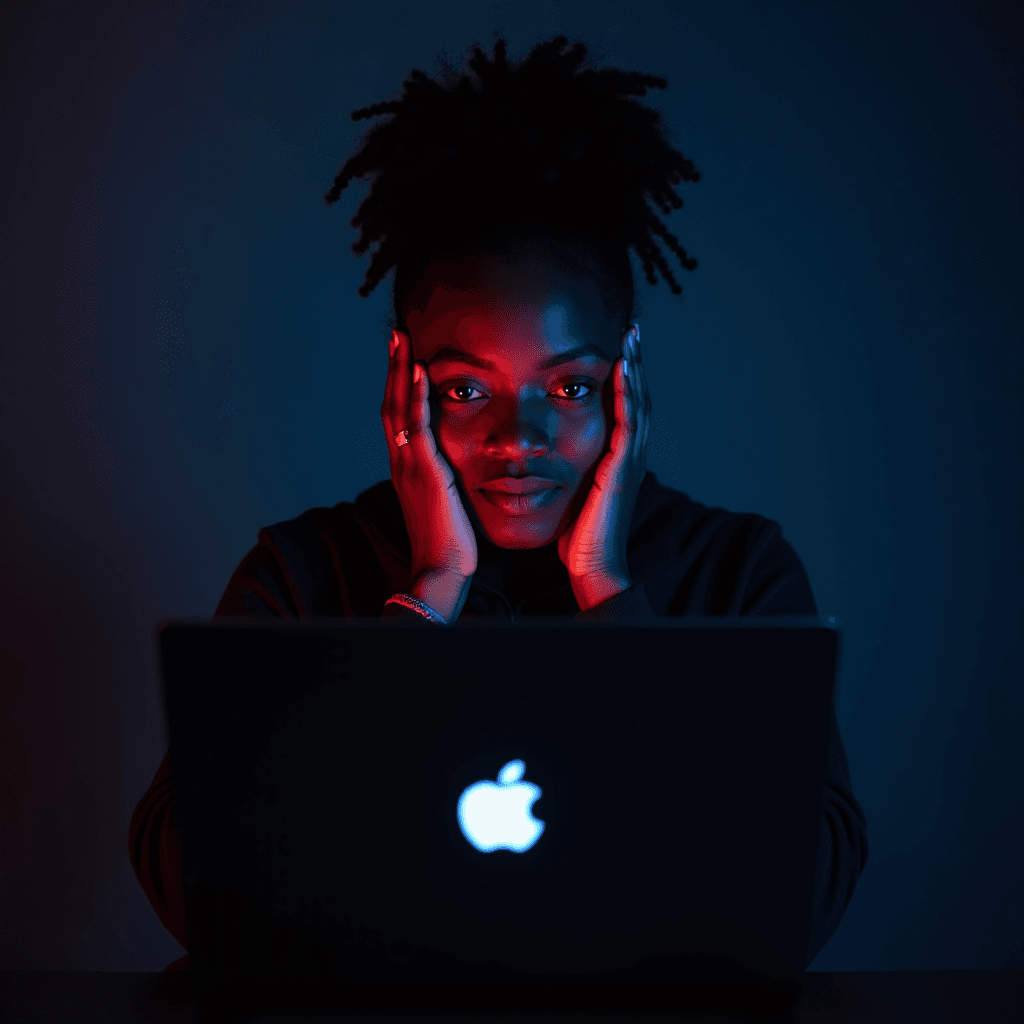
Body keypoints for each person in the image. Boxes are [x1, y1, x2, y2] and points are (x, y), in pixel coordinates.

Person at [130, 35, 868, 974]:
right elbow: (192, 888)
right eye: (468, 390)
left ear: (626, 381)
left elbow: (804, 901)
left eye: (567, 388)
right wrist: (430, 592)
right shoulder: (301, 570)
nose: (518, 440)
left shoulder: (739, 569)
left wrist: (608, 593)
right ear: (407, 383)